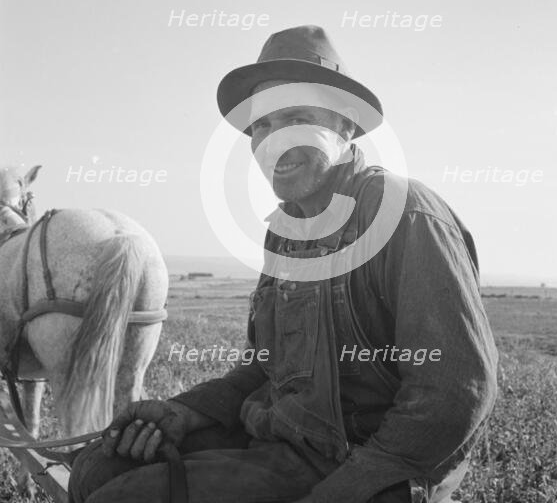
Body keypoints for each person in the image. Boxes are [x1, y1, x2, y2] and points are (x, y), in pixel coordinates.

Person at [68, 25, 498, 503]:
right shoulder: (286, 229)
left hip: (369, 467)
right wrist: (183, 412)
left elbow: (454, 393)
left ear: (345, 126)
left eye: (295, 118)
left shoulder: (403, 214)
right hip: (282, 445)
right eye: (262, 126)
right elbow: (263, 369)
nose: (273, 141)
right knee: (95, 467)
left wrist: (345, 489)